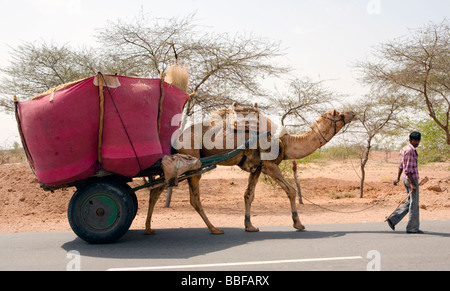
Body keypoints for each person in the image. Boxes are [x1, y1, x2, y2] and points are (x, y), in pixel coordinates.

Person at [387, 132, 423, 234]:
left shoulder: (405, 149)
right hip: (411, 179)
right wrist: (412, 184)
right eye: (415, 140)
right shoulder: (410, 151)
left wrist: (398, 178)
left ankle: (393, 219)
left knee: (410, 201)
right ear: (410, 140)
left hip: (405, 178)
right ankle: (412, 228)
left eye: (418, 140)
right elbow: (407, 169)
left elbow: (401, 165)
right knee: (414, 204)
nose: (417, 142)